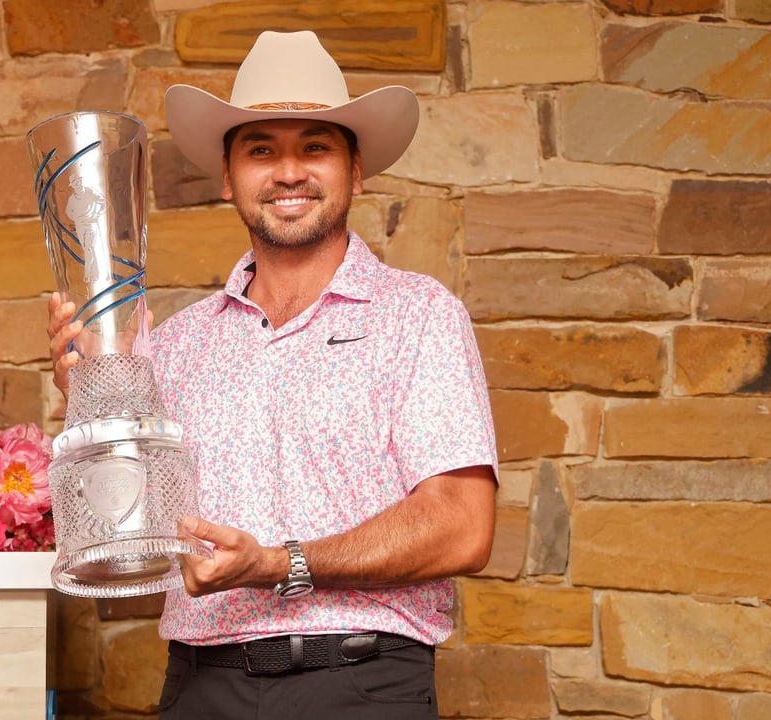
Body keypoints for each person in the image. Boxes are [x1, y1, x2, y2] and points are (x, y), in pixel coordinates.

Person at [47, 30, 497, 719]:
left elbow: (463, 527)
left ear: (356, 168)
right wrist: (89, 399)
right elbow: (126, 521)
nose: (289, 172)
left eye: (315, 146)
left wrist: (279, 563)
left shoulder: (420, 316)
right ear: (229, 177)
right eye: (262, 150)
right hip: (202, 687)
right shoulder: (170, 346)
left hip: (364, 685)